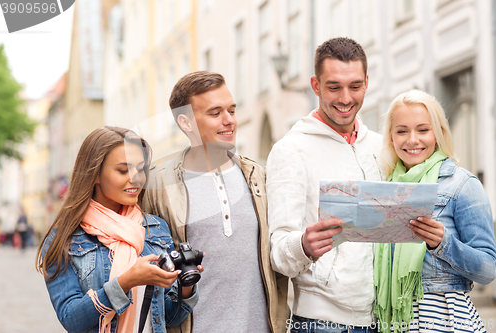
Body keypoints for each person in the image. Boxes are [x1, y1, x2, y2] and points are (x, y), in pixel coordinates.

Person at [142, 71, 289, 333]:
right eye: (215, 113)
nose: (229, 120)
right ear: (186, 122)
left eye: (231, 110)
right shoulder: (158, 185)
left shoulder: (257, 177)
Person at [267, 37, 382, 332]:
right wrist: (303, 245)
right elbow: (278, 251)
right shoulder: (290, 150)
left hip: (383, 318)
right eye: (334, 87)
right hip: (321, 323)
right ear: (315, 86)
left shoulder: (381, 147)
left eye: (355, 86)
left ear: (366, 83)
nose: (345, 98)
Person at [36, 126, 200, 333]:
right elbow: (71, 319)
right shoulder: (64, 238)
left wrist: (187, 285)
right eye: (123, 170)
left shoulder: (156, 228)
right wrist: (126, 281)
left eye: (140, 169)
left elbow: (170, 317)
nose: (136, 178)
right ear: (94, 174)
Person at [375, 89, 496, 333]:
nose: (412, 139)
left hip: (447, 321)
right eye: (402, 131)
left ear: (438, 133)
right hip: (396, 322)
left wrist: (443, 243)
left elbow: (488, 270)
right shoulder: (384, 189)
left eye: (423, 129)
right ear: (391, 137)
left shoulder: (463, 184)